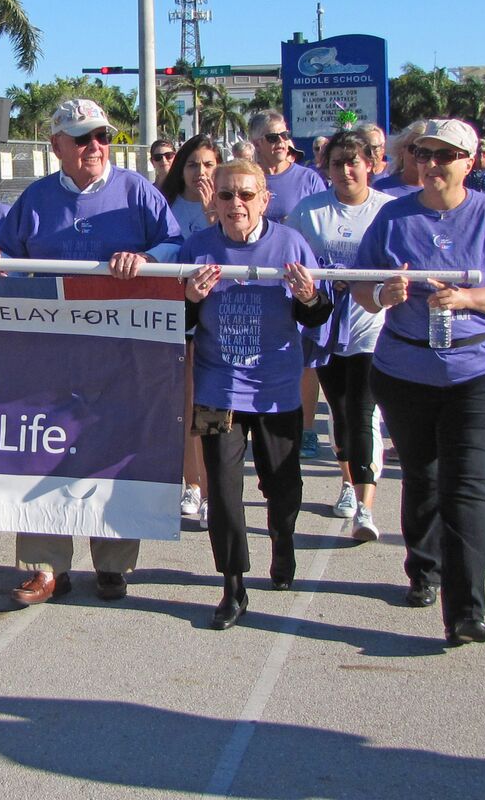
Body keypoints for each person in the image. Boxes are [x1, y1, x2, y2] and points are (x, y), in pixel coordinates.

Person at [0, 97, 183, 606]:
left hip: (122, 354)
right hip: (50, 358)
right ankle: (45, 567)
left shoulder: (139, 192)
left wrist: (147, 257)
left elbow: (175, 246)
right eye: (83, 138)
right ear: (56, 145)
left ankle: (112, 564)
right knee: (43, 451)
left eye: (103, 137)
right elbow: (2, 253)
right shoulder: (35, 198)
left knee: (114, 452)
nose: (95, 147)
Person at [353, 118, 485, 645]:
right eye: (423, 154)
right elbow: (363, 288)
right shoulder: (392, 217)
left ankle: (466, 610)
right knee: (423, 478)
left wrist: (467, 299)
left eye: (445, 156)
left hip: (480, 371)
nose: (432, 164)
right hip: (405, 370)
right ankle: (423, 569)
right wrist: (385, 296)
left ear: (468, 163)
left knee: (466, 489)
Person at [180, 159, 330, 629]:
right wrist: (189, 300)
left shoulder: (290, 243)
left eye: (246, 195)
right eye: (226, 195)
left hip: (276, 390)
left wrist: (309, 297)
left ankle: (282, 539)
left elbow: (318, 315)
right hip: (216, 388)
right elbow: (178, 325)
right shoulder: (197, 249)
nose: (236, 204)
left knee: (281, 486)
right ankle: (233, 585)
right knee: (222, 492)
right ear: (214, 201)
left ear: (265, 199)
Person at [288, 130, 392, 540]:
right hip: (326, 327)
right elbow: (291, 256)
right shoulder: (310, 211)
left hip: (374, 325)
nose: (346, 170)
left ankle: (366, 507)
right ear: (325, 168)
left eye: (354, 161)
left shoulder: (388, 210)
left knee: (364, 412)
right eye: (337, 163)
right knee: (341, 411)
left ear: (370, 164)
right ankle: (348, 481)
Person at [252, 112, 326, 459]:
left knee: (304, 357)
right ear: (255, 144)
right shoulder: (247, 177)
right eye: (272, 137)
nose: (281, 142)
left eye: (284, 136)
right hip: (253, 279)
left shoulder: (308, 179)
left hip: (295, 278)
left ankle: (307, 427)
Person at [160, 135, 222, 529]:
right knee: (184, 406)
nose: (200, 173)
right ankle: (192, 484)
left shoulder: (227, 203)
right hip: (175, 313)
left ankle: (216, 487)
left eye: (208, 165)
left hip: (217, 317)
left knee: (210, 406)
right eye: (193, 165)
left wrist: (211, 208)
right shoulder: (164, 205)